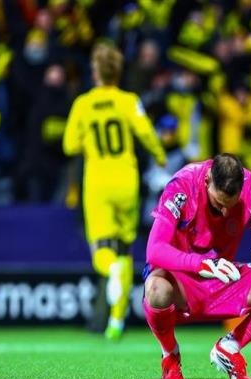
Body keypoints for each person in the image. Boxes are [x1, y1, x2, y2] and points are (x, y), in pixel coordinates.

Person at [143, 153, 251, 379]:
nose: (224, 213)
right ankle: (170, 355)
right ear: (207, 181)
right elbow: (154, 250)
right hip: (184, 281)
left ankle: (230, 346)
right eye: (218, 204)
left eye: (230, 206)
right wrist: (201, 264)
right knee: (156, 288)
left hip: (224, 280)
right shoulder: (182, 184)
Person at [64, 43, 166, 340]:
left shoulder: (83, 104)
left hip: (98, 182)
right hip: (127, 180)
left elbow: (69, 144)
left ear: (95, 72)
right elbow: (145, 131)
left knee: (102, 251)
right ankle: (116, 321)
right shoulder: (128, 100)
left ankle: (111, 273)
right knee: (123, 247)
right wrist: (159, 155)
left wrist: (87, 140)